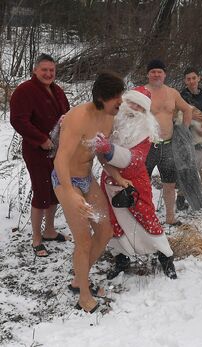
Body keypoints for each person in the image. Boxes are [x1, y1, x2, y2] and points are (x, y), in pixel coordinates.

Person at [52, 71, 124, 313]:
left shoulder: (108, 118)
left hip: (86, 179)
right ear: (102, 97)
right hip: (65, 181)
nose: (120, 102)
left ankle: (78, 278)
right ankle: (83, 294)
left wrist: (116, 175)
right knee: (83, 240)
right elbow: (60, 159)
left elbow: (101, 152)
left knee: (105, 230)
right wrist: (70, 192)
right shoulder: (77, 117)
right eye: (117, 97)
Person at [98, 86, 177, 279]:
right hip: (109, 180)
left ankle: (165, 257)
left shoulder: (146, 132)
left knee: (146, 218)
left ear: (145, 111)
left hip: (135, 182)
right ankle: (121, 257)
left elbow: (135, 160)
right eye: (132, 103)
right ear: (125, 102)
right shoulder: (111, 122)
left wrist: (109, 150)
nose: (134, 108)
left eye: (140, 106)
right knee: (113, 220)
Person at [9, 53, 70, 257]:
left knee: (55, 190)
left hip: (58, 150)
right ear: (35, 70)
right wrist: (42, 139)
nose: (48, 73)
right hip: (37, 151)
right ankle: (36, 238)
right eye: (44, 70)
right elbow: (18, 120)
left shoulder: (57, 91)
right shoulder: (24, 91)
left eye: (52, 70)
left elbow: (66, 116)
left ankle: (49, 231)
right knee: (41, 192)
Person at [144, 59, 193, 225]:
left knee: (170, 184)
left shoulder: (172, 93)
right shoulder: (141, 92)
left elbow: (187, 109)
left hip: (168, 145)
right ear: (148, 74)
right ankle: (145, 218)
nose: (156, 74)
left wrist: (183, 132)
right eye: (153, 71)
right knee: (143, 185)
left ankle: (170, 218)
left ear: (165, 74)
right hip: (147, 146)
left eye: (160, 71)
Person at [179, 67, 202, 206]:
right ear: (185, 81)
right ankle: (181, 196)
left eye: (194, 78)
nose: (191, 81)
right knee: (186, 167)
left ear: (199, 78)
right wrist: (190, 117)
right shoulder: (181, 97)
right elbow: (176, 117)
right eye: (188, 79)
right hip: (186, 138)